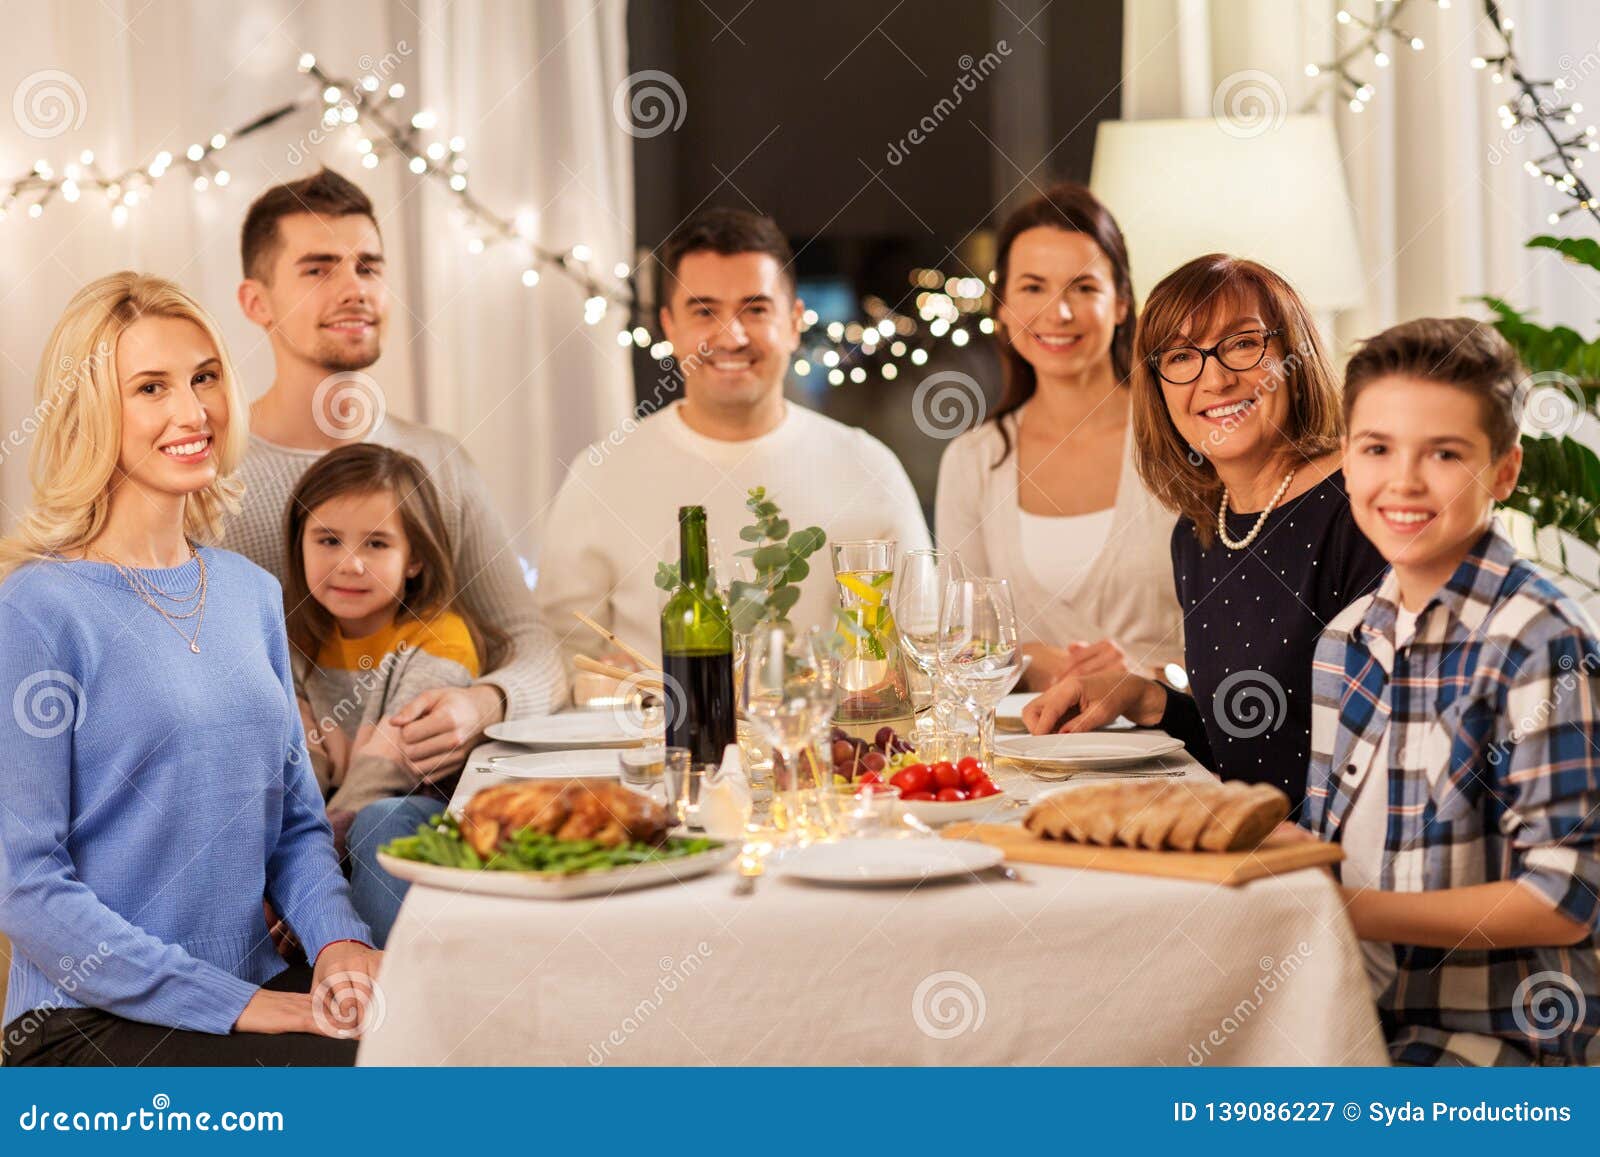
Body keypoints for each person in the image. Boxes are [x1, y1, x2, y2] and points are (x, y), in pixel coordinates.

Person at [0, 273, 378, 1066]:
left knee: (443, 1041)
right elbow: (26, 887)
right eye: (150, 387)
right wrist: (240, 1004)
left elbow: (298, 830)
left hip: (252, 990)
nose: (191, 411)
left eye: (205, 377)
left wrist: (340, 940)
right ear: (89, 410)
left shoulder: (249, 593)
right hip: (83, 1025)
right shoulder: (37, 609)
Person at [1303, 317, 1598, 1065]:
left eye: (1444, 453)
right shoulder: (1344, 642)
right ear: (1345, 461)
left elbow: (1564, 899)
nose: (1403, 481)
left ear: (1503, 472)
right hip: (1350, 1012)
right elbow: (1342, 845)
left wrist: (1343, 911)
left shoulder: (1541, 640)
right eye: (1377, 448)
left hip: (1501, 1043)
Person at [229, 168, 564, 782]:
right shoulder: (214, 480)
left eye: (369, 267)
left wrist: (484, 705)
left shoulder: (437, 461)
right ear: (257, 302)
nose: (355, 289)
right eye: (319, 268)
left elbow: (531, 642)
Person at [1025, 255, 1388, 807]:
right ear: (1158, 387)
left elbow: (1393, 748)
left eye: (1242, 344)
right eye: (1181, 356)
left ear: (1294, 352)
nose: (1214, 379)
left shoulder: (1361, 502)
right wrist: (1146, 699)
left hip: (1333, 870)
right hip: (1254, 848)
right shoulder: (1199, 534)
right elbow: (1248, 749)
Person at [536, 207, 930, 674]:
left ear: (794, 322)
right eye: (704, 311)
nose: (731, 335)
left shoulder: (870, 466)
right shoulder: (602, 471)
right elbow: (560, 652)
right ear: (670, 327)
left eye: (756, 309)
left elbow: (921, 644)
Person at [935, 182, 1182, 687]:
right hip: (1027, 753)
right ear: (1001, 307)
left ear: (1120, 304)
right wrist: (1024, 661)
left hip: (1171, 748)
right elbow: (958, 646)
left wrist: (1153, 682)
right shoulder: (974, 459)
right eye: (1032, 287)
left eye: (1083, 287)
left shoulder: (1181, 435)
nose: (1058, 313)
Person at [285, 443, 503, 947]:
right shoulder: (293, 643)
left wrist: (315, 879)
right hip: (330, 831)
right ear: (300, 545)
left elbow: (388, 771)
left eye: (377, 544)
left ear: (414, 561)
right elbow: (301, 771)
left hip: (419, 813)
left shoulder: (440, 637)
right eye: (329, 540)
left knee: (381, 821)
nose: (351, 565)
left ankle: (380, 982)